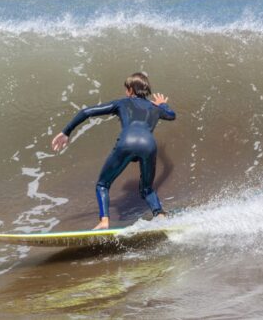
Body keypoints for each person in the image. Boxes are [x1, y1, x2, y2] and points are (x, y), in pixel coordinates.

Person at [51, 72, 176, 230]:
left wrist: (66, 132)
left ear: (130, 90)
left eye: (126, 89)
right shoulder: (155, 108)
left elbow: (86, 112)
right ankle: (160, 215)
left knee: (102, 184)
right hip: (149, 145)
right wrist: (162, 105)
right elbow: (172, 115)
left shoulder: (122, 103)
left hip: (127, 142)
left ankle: (104, 221)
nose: (125, 92)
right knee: (147, 188)